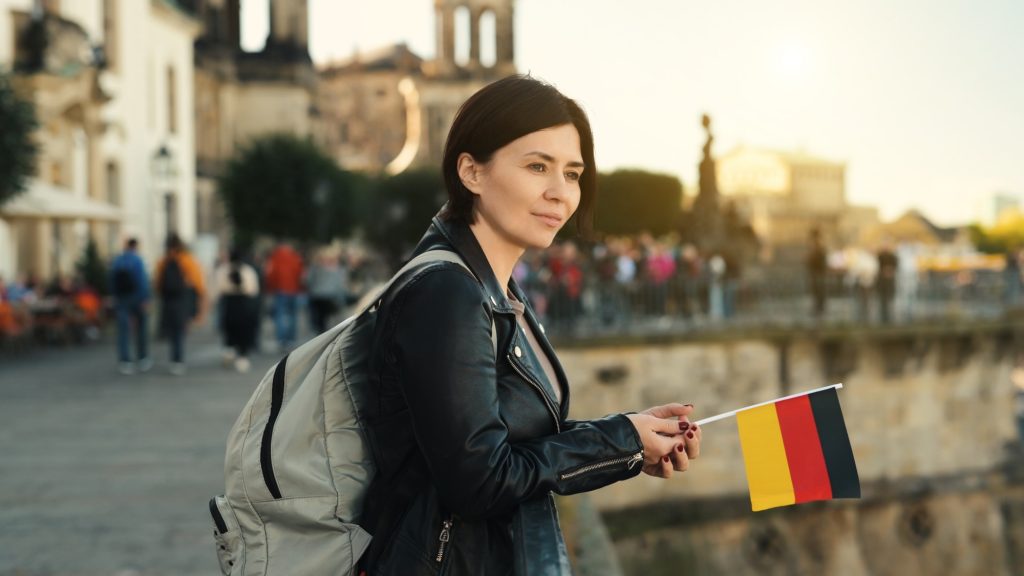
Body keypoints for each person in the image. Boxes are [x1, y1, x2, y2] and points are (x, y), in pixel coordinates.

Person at [358, 75, 702, 575]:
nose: (560, 193)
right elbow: (481, 481)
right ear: (471, 172)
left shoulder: (491, 284)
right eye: (538, 166)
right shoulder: (450, 292)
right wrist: (621, 440)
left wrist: (631, 439)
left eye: (573, 173)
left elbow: (504, 439)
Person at [154, 233, 206, 375]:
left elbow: (157, 283)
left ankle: (174, 358)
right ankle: (178, 360)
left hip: (168, 301)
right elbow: (198, 283)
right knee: (179, 331)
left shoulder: (163, 261)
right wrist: (199, 305)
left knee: (172, 331)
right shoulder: (188, 260)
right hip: (182, 300)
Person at [213, 248, 260, 373]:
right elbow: (253, 289)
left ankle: (229, 349)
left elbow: (218, 288)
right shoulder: (248, 271)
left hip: (229, 302)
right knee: (244, 330)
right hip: (244, 303)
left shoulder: (223, 270)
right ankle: (243, 357)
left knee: (229, 328)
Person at [109, 238, 151, 374]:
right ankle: (142, 358)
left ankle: (125, 360)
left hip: (122, 299)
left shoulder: (118, 261)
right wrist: (145, 298)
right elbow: (143, 280)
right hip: (138, 298)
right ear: (136, 246)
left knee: (123, 331)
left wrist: (114, 297)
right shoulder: (138, 260)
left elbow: (111, 281)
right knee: (141, 329)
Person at [264, 241, 304, 350]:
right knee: (293, 315)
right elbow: (301, 274)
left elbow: (270, 274)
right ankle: (291, 338)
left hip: (280, 289)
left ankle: (281, 340)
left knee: (280, 315)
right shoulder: (295, 258)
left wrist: (270, 288)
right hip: (294, 289)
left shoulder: (275, 258)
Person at [305, 247, 348, 334]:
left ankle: (320, 335)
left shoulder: (315, 267)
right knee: (331, 319)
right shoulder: (339, 269)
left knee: (320, 321)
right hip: (332, 297)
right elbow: (341, 285)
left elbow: (308, 280)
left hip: (316, 296)